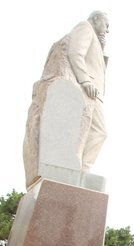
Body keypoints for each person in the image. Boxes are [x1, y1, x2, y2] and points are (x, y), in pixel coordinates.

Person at [23, 11, 110, 185]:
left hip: (94, 93)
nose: (107, 30)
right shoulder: (85, 27)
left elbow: (96, 65)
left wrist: (101, 50)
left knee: (98, 132)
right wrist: (85, 81)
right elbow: (76, 53)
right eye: (106, 25)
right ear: (96, 19)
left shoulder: (96, 40)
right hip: (85, 88)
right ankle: (78, 170)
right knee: (88, 130)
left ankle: (82, 171)